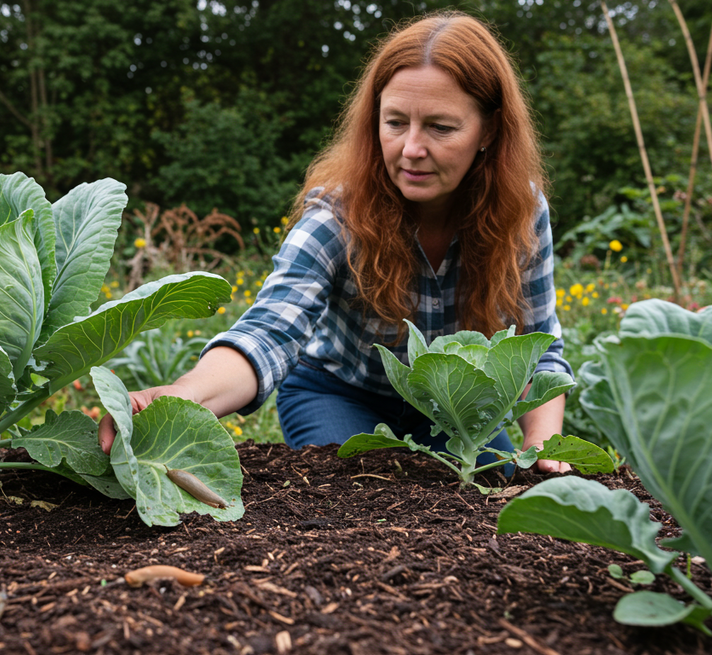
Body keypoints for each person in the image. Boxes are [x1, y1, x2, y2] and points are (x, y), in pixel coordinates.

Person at [99, 11, 573, 474]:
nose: (410, 148)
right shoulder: (338, 214)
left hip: (457, 408)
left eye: (440, 127)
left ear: (488, 128)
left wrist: (541, 444)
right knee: (364, 493)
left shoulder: (522, 214)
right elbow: (269, 331)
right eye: (394, 122)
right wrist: (185, 394)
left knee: (500, 489)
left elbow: (539, 348)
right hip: (340, 393)